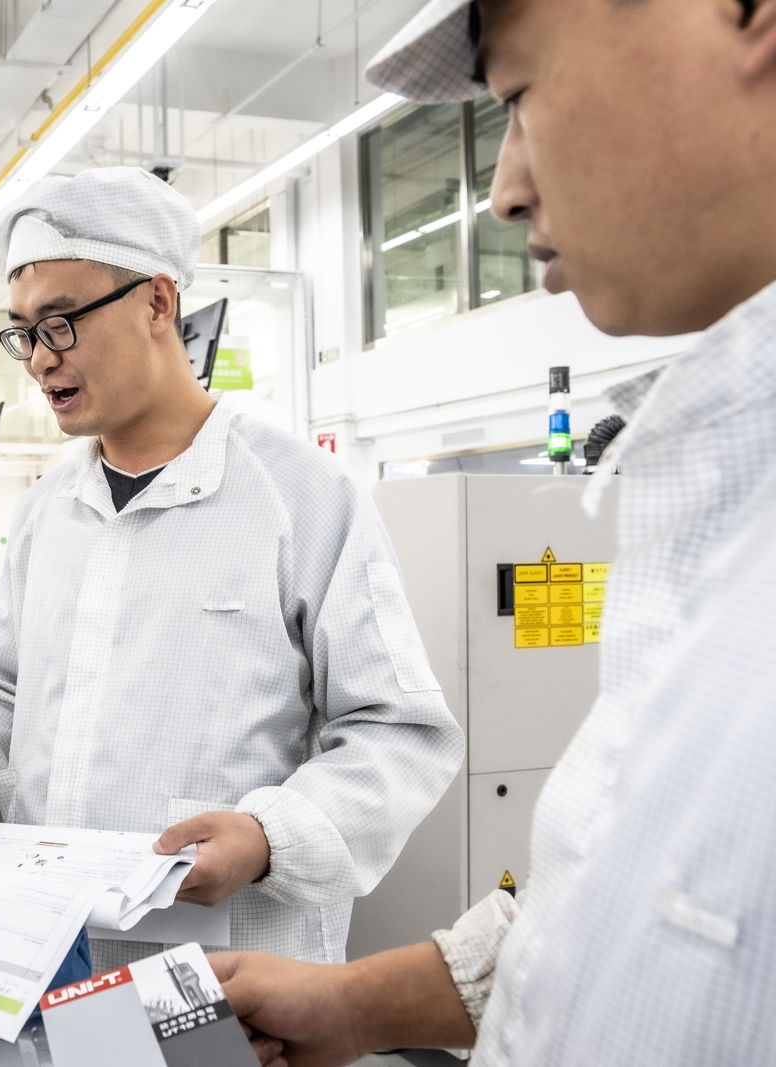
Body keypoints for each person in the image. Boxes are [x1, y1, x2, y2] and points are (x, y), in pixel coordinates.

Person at [209, 1, 776, 1063]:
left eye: (516, 95)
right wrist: (358, 1003)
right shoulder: (720, 487)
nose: (505, 188)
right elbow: (612, 903)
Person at [0, 166, 464, 969]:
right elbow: (0, 691)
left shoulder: (301, 494)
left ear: (158, 303)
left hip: (237, 962)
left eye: (60, 324)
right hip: (45, 943)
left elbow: (397, 728)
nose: (37, 359)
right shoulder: (44, 509)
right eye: (23, 331)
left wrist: (269, 836)